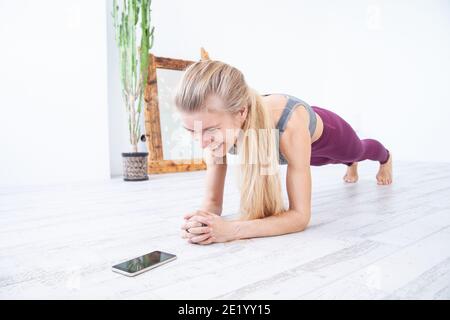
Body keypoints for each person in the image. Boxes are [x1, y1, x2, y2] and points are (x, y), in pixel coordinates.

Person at [175, 60, 392, 245]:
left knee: (357, 152)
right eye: (192, 130)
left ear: (241, 112)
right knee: (327, 161)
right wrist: (200, 222)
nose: (201, 143)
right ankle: (350, 165)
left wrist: (232, 231)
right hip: (296, 154)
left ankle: (385, 157)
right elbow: (212, 202)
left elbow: (300, 217)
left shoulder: (290, 124)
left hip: (330, 138)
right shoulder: (210, 130)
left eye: (210, 130)